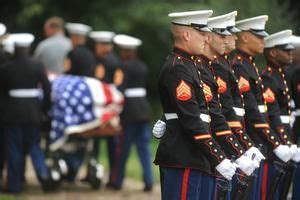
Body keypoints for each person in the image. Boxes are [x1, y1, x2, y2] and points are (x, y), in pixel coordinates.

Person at [153, 10, 238, 199]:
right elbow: (191, 118)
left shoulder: (190, 66)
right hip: (184, 155)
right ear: (186, 34)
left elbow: (205, 111)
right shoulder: (179, 68)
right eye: (202, 33)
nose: (207, 39)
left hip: (196, 155)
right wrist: (219, 157)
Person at [231, 15, 292, 200]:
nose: (263, 41)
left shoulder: (250, 66)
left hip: (259, 139)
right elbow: (251, 110)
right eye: (259, 36)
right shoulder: (241, 67)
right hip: (251, 137)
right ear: (245, 37)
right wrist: (276, 142)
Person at [0, 33, 58, 193]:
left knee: (14, 149)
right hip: (33, 111)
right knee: (34, 146)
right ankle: (43, 175)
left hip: (12, 113)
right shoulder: (37, 65)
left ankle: (15, 185)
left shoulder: (6, 68)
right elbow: (47, 89)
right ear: (28, 48)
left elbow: (3, 93)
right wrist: (44, 109)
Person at [107, 34, 154, 192]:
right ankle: (148, 181)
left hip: (129, 111)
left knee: (122, 148)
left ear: (126, 52)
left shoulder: (122, 67)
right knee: (144, 148)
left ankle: (117, 181)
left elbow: (120, 87)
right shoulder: (142, 65)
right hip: (143, 109)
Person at [261, 29, 300, 200]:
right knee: (270, 191)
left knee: (281, 191)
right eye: (286, 50)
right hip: (275, 142)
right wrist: (282, 142)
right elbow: (272, 114)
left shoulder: (280, 76)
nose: (290, 53)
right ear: (273, 52)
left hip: (284, 138)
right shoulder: (269, 78)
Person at [89, 31, 122, 184]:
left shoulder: (101, 62)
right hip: (114, 108)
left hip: (101, 107)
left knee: (95, 140)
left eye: (98, 45)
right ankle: (113, 177)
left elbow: (97, 81)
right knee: (112, 144)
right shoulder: (117, 60)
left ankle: (93, 173)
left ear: (103, 46)